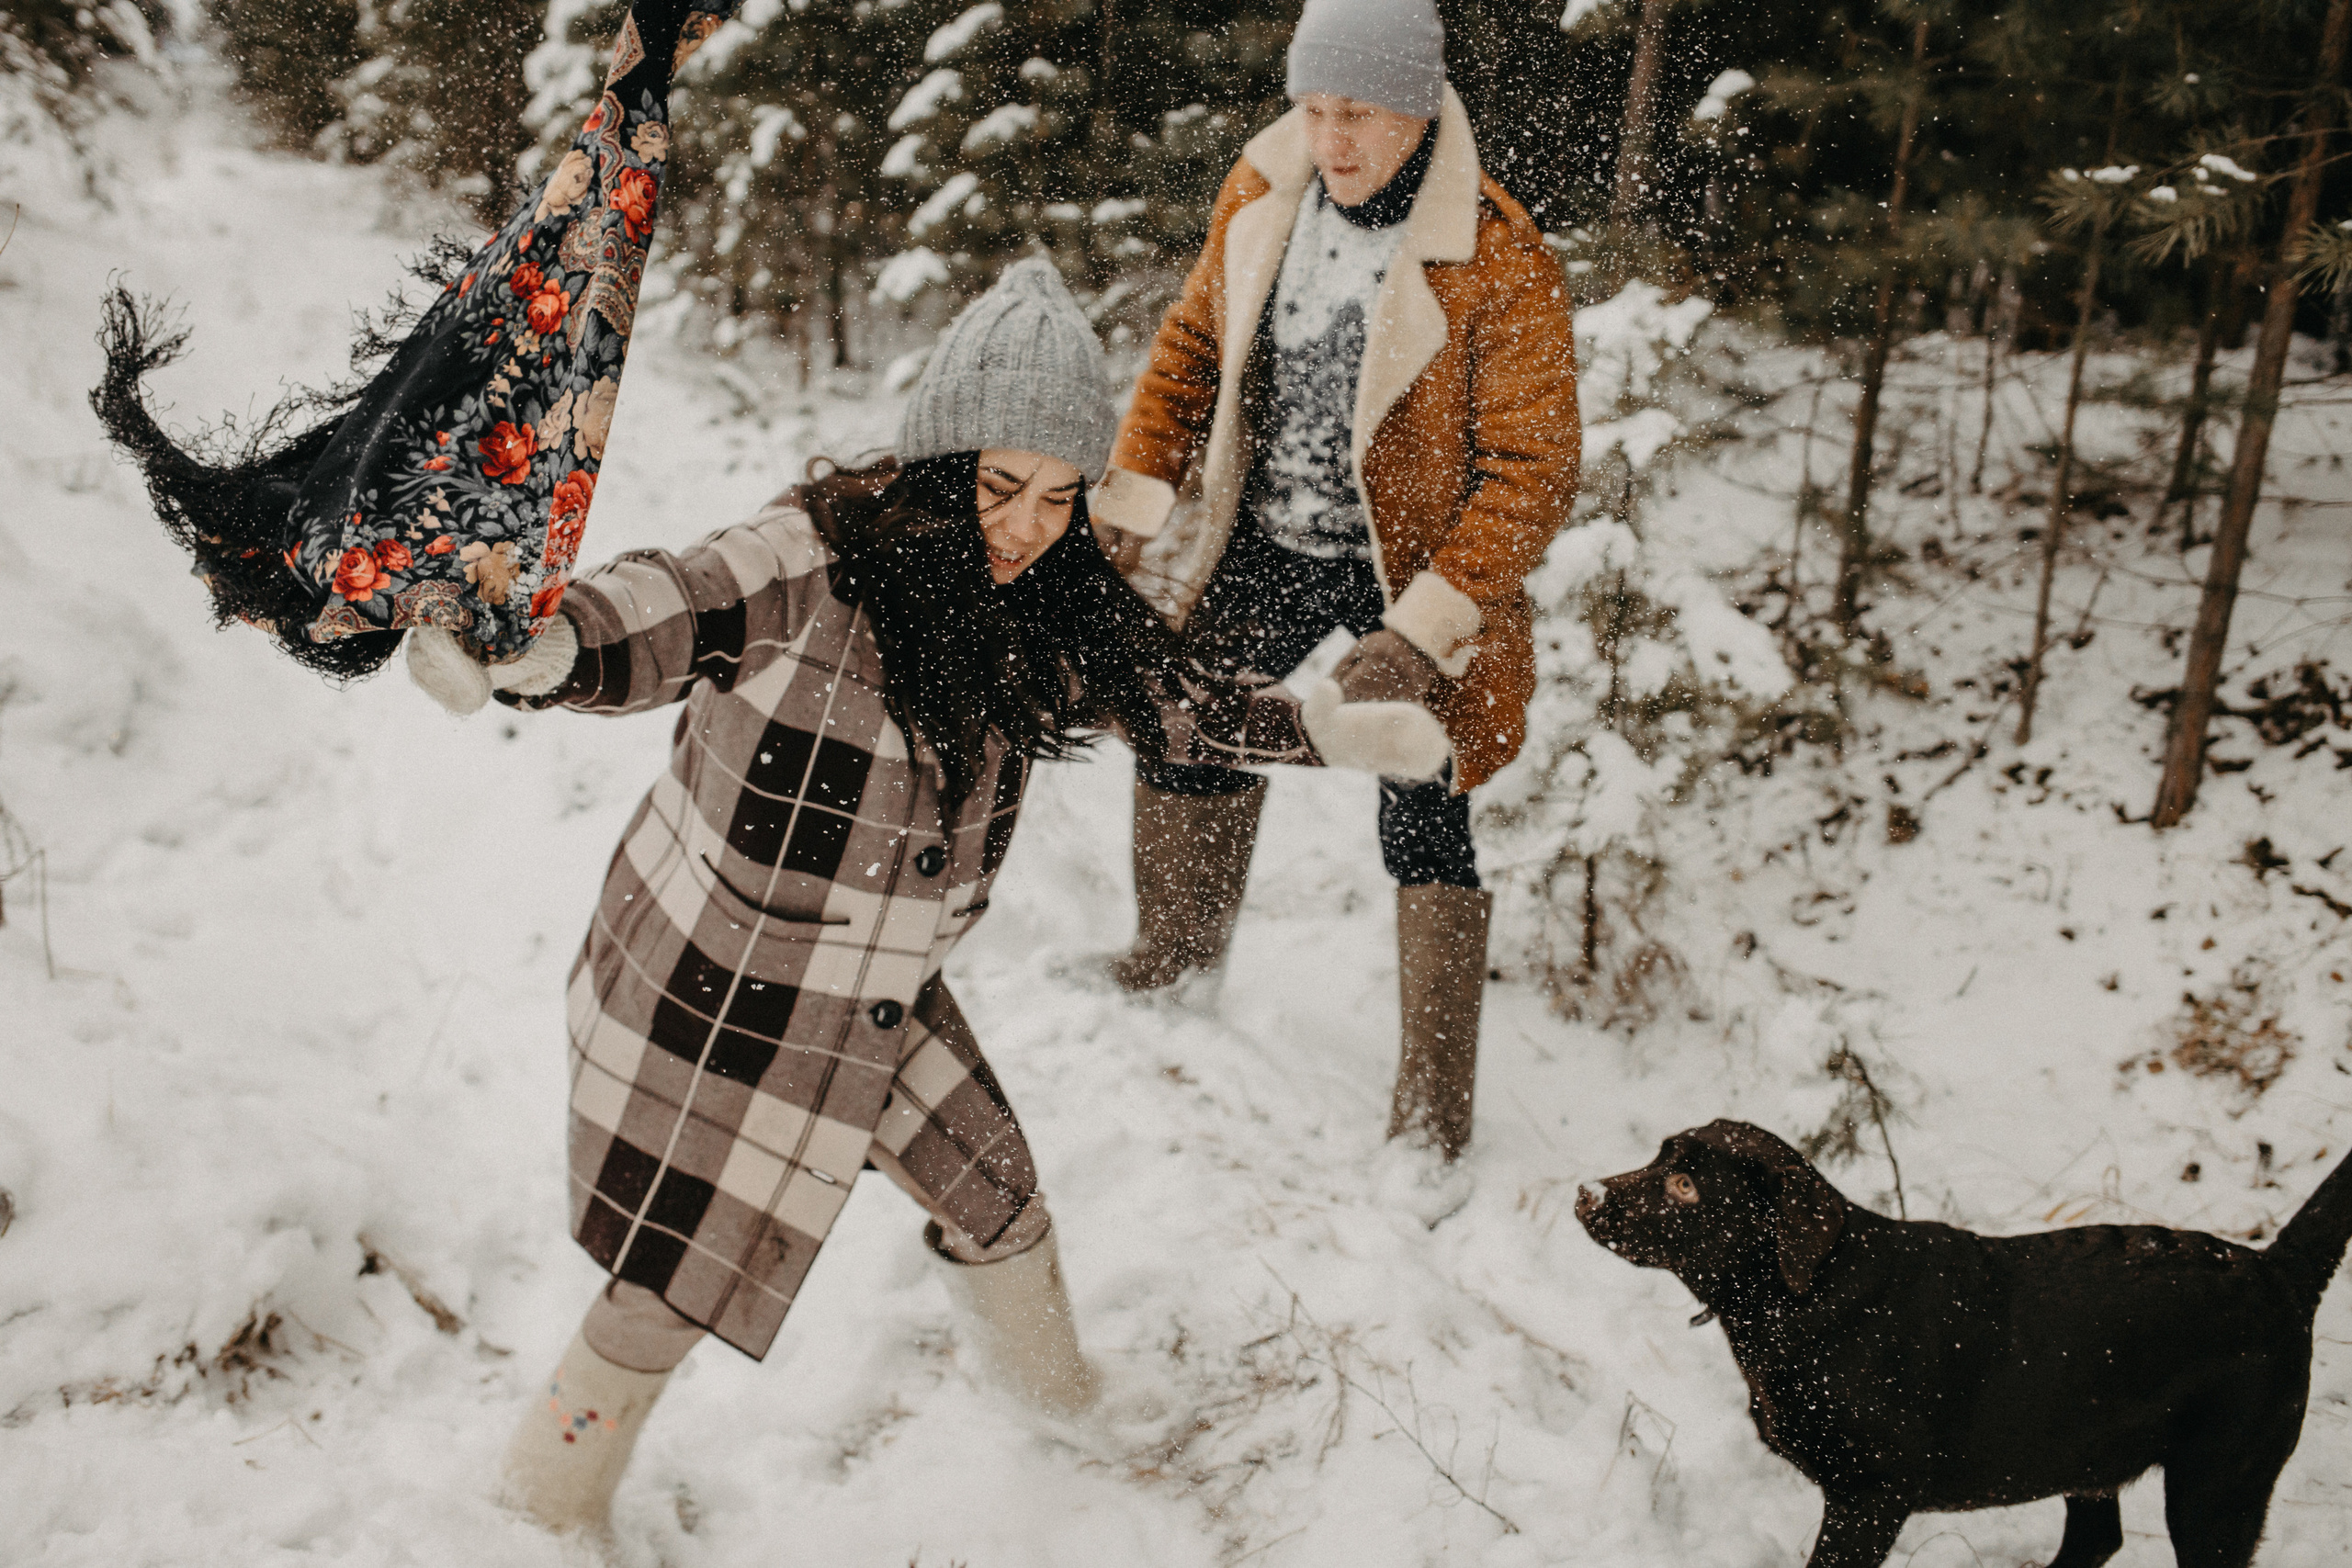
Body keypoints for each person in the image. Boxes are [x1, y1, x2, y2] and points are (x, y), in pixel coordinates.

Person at [402, 258, 1452, 1534]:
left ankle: (1063, 1414)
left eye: (1062, 497)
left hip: (875, 996)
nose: (1027, 525)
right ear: (938, 470)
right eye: (1001, 487)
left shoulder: (1037, 606)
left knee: (996, 1191)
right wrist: (542, 646)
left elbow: (1166, 704)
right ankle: (539, 1503)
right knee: (666, 1281)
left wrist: (1329, 736)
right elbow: (660, 606)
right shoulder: (806, 562)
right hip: (722, 989)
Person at [1089, 0, 1581, 1161]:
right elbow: (1193, 351)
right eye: (1313, 109)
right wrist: (1127, 504)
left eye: (1356, 112)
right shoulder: (1265, 192)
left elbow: (1532, 471)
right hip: (1270, 538)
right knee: (1187, 727)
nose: (1332, 138)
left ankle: (1427, 1116)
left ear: (1415, 106)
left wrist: (1423, 631)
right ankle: (1174, 965)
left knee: (1423, 810)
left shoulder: (1496, 256)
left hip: (1408, 570)